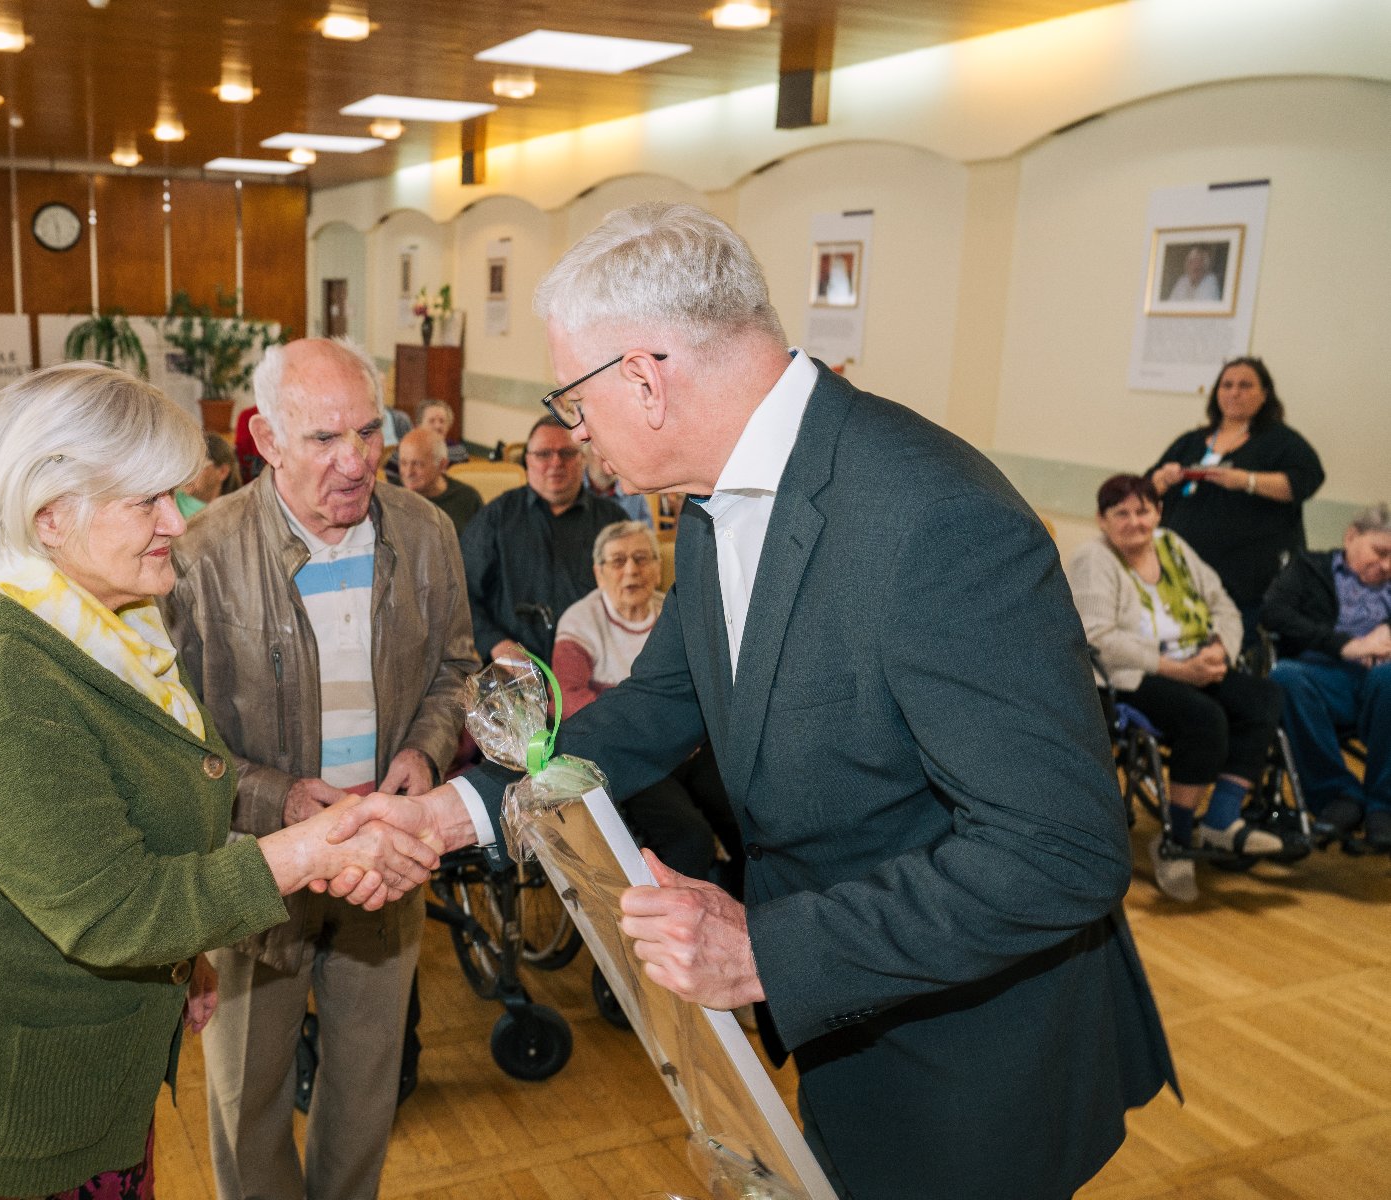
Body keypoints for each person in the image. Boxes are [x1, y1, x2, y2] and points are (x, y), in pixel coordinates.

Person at [333, 203, 1174, 1200]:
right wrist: (454, 811)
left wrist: (769, 949)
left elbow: (1061, 852)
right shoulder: (725, 495)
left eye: (573, 400)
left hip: (971, 1059)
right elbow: (662, 705)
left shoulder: (931, 518)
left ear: (643, 379)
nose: (570, 430)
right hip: (850, 1019)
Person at [0, 363, 438, 1200]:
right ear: (50, 517)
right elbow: (111, 908)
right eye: (148, 501)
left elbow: (123, 823)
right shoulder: (1, 679)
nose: (177, 521)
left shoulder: (105, 624)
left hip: (81, 1067)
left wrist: (178, 961)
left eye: (176, 494)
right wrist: (301, 852)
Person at [168, 339, 476, 1200]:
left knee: (367, 1083)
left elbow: (455, 668)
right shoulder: (199, 554)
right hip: (255, 864)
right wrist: (276, 796)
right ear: (265, 438)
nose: (356, 461)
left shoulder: (424, 533)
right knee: (246, 1092)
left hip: (386, 853)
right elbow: (171, 735)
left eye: (368, 433)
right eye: (323, 439)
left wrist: (424, 751)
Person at [1066, 474, 1285, 902]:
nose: (1135, 521)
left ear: (1158, 512)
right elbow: (1097, 636)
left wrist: (1221, 650)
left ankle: (1221, 821)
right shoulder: (1095, 558)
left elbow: (1222, 603)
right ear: (1102, 519)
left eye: (1143, 510)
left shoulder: (1173, 547)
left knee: (1263, 698)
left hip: (1198, 661)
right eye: (1121, 513)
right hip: (1131, 675)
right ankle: (1177, 838)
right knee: (1205, 718)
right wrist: (1177, 669)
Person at [555, 519, 733, 881]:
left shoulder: (674, 613)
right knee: (689, 835)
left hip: (691, 747)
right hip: (629, 751)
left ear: (658, 565)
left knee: (746, 816)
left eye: (641, 558)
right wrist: (652, 730)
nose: (631, 570)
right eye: (618, 561)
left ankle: (744, 905)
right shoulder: (580, 621)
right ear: (598, 573)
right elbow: (568, 699)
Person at [1147, 357, 1325, 636]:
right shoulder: (1192, 440)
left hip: (1244, 580)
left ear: (1265, 394)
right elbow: (1145, 490)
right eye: (1227, 385)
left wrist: (1246, 481)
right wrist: (1161, 480)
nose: (1234, 392)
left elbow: (1305, 481)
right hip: (1177, 572)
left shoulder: (1280, 440)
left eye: (1245, 385)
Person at [1262, 502, 1391, 851]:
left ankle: (1385, 805)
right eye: (1380, 552)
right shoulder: (1308, 567)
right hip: (1323, 673)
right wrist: (1345, 645)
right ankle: (1338, 795)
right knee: (1285, 676)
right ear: (1352, 536)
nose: (1386, 566)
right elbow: (1274, 613)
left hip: (1383, 678)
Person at [460, 415, 627, 664]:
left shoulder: (612, 520)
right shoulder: (496, 517)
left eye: (567, 453)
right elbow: (462, 594)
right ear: (527, 461)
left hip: (596, 669)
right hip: (513, 674)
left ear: (582, 460)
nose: (556, 462)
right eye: (543, 454)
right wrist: (495, 643)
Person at [397, 425, 481, 536]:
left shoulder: (468, 499)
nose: (408, 473)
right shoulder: (392, 494)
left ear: (442, 465)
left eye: (417, 464)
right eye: (403, 463)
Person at [584, 445, 654, 526]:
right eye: (602, 453)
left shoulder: (634, 493)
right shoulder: (574, 490)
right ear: (588, 456)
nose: (609, 462)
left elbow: (647, 533)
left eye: (614, 455)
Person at [416, 396, 468, 464]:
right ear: (419, 425)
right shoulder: (407, 450)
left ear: (449, 425)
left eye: (442, 421)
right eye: (432, 421)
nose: (438, 426)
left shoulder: (459, 452)